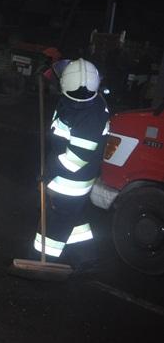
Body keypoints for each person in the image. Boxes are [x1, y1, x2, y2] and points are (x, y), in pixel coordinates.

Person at [32, 58, 110, 268]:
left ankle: (45, 259)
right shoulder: (84, 91)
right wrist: (47, 74)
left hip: (71, 180)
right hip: (72, 176)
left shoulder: (90, 116)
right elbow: (63, 72)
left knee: (57, 219)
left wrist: (49, 171)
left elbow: (76, 159)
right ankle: (86, 256)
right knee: (73, 215)